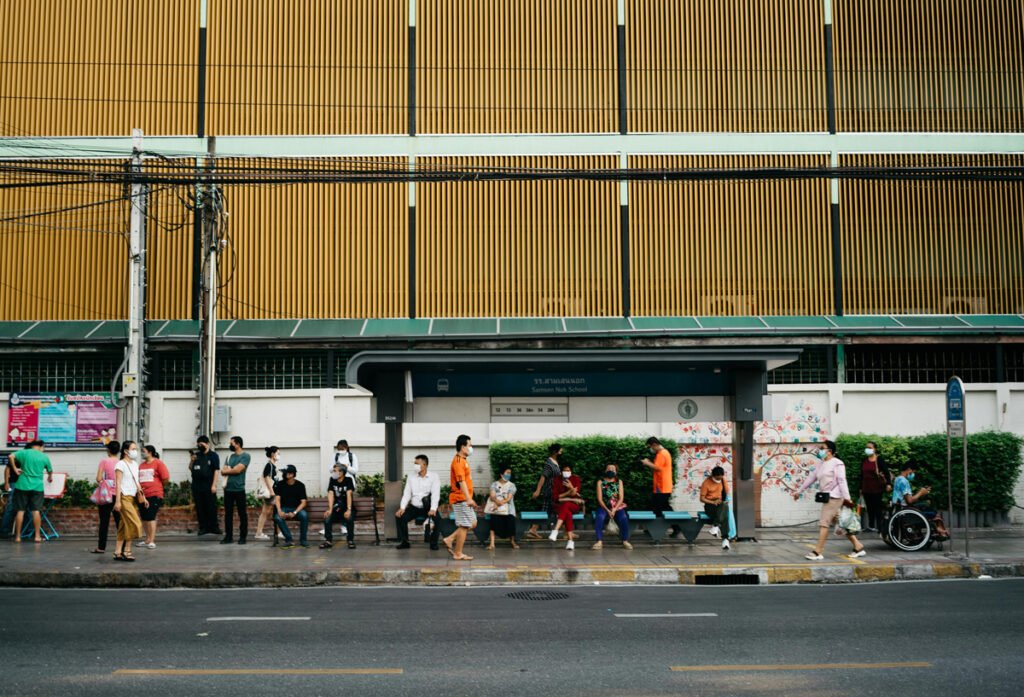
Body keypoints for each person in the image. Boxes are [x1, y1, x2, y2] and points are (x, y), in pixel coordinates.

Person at [792, 439, 866, 559]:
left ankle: (817, 552)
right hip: (827, 497)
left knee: (824, 523)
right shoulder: (821, 464)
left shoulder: (837, 463)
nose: (819, 450)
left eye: (822, 448)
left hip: (834, 497)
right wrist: (799, 491)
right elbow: (811, 478)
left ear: (829, 451)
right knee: (842, 523)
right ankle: (858, 546)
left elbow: (842, 481)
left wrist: (847, 498)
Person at [891, 462, 950, 539]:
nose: (913, 474)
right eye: (914, 472)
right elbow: (909, 501)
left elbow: (906, 498)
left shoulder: (898, 479)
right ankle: (940, 531)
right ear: (909, 470)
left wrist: (922, 493)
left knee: (927, 505)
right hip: (906, 512)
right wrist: (920, 493)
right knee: (933, 513)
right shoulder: (903, 481)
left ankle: (939, 530)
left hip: (901, 508)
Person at [395, 454, 441, 550]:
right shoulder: (411, 476)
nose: (415, 466)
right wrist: (402, 507)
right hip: (414, 507)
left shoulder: (434, 476)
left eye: (417, 464)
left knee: (438, 519)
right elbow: (407, 493)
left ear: (424, 465)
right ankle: (405, 542)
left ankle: (433, 543)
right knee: (400, 516)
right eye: (414, 463)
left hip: (427, 507)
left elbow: (435, 494)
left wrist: (433, 509)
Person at [10, 440, 53, 543]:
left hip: (22, 486)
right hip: (37, 487)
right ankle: (37, 536)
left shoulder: (24, 453)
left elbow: (10, 456)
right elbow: (50, 470)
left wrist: (15, 468)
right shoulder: (44, 457)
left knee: (20, 511)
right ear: (41, 446)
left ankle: (18, 537)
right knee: (36, 511)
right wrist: (50, 477)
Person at [442, 434, 477, 561]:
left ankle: (450, 538)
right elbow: (461, 482)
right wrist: (468, 499)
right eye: (470, 445)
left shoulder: (463, 460)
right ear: (463, 447)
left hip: (464, 498)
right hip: (460, 498)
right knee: (465, 525)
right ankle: (458, 553)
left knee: (473, 523)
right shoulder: (457, 462)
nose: (471, 448)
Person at [112, 441, 148, 561]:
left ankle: (117, 552)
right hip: (123, 497)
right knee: (135, 523)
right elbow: (118, 483)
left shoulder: (135, 464)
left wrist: (143, 497)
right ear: (126, 451)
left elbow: (137, 482)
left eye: (136, 449)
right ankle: (127, 551)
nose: (135, 451)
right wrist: (117, 501)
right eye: (133, 449)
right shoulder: (120, 464)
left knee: (124, 525)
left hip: (133, 498)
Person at [641, 436, 681, 538]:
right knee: (660, 507)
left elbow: (658, 468)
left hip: (662, 486)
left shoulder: (662, 454)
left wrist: (647, 463)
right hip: (663, 486)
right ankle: (659, 528)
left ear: (654, 445)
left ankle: (672, 528)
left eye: (650, 447)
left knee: (660, 508)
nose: (651, 449)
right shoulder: (664, 453)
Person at [90, 441, 121, 553]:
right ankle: (123, 548)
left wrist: (106, 482)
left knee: (104, 522)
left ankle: (101, 547)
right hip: (119, 495)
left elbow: (99, 478)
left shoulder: (104, 461)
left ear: (108, 450)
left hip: (106, 496)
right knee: (120, 522)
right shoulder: (121, 462)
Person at [527, 443, 562, 539]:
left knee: (548, 510)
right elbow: (543, 477)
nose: (561, 452)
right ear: (555, 451)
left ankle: (533, 529)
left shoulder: (555, 462)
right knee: (552, 510)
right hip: (549, 491)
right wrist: (538, 490)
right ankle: (567, 532)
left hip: (554, 491)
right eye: (560, 450)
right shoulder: (549, 463)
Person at [137, 445, 170, 549]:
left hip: (154, 494)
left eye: (144, 451)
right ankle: (147, 539)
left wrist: (156, 487)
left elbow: (165, 478)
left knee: (150, 516)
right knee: (144, 517)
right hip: (142, 496)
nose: (142, 453)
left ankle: (152, 541)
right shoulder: (141, 465)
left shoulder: (158, 463)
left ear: (150, 452)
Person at [220, 435, 250, 545]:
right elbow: (223, 471)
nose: (230, 445)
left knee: (242, 514)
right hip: (228, 490)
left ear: (238, 444)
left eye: (231, 443)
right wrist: (231, 469)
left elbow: (238, 470)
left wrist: (229, 469)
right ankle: (228, 537)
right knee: (228, 515)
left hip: (239, 490)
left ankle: (243, 537)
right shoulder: (229, 456)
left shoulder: (245, 456)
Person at [593, 465, 632, 550]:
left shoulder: (619, 482)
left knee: (623, 518)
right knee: (599, 517)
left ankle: (625, 540)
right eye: (608, 469)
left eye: (613, 469)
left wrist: (614, 509)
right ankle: (599, 541)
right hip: (603, 506)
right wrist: (608, 510)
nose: (610, 470)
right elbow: (599, 499)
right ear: (605, 470)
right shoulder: (600, 482)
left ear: (616, 472)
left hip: (617, 506)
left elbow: (621, 498)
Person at [190, 435, 222, 536]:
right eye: (198, 445)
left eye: (202, 444)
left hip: (209, 485)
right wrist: (192, 460)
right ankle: (203, 527)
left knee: (211, 507)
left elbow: (216, 471)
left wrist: (214, 485)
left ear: (207, 444)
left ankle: (214, 527)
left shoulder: (213, 456)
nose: (200, 446)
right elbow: (190, 468)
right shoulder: (196, 455)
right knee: (200, 507)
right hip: (197, 486)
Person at [548, 463, 584, 550]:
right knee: (568, 513)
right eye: (565, 470)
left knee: (566, 505)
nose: (566, 472)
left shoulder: (575, 479)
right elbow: (556, 497)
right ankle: (570, 541)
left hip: (574, 505)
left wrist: (571, 487)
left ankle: (555, 530)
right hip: (560, 505)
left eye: (568, 470)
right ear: (561, 471)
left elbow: (575, 493)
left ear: (571, 471)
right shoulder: (557, 480)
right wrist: (568, 494)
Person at [321, 462, 356, 550]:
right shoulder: (332, 480)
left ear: (341, 472)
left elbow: (349, 494)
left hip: (346, 508)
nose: (333, 472)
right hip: (336, 508)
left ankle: (350, 540)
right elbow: (330, 494)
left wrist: (348, 509)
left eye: (335, 471)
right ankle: (328, 541)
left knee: (349, 518)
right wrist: (330, 509)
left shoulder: (348, 480)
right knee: (327, 518)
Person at [273, 464, 308, 548]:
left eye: (286, 473)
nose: (284, 474)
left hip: (296, 509)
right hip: (284, 508)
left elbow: (303, 502)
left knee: (304, 515)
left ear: (292, 474)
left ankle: (303, 540)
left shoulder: (300, 485)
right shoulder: (280, 484)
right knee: (277, 517)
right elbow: (277, 499)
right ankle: (289, 540)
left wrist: (294, 512)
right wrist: (279, 511)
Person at [860, 441, 891, 532]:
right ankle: (871, 526)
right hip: (866, 488)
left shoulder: (879, 460)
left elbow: (886, 472)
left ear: (875, 449)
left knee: (877, 507)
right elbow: (861, 475)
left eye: (870, 447)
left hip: (877, 488)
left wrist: (888, 484)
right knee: (869, 508)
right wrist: (860, 488)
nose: (867, 449)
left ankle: (879, 527)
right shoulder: (864, 460)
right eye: (867, 447)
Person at [699, 466, 732, 550]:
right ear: (713, 476)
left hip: (720, 503)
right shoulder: (706, 483)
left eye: (720, 478)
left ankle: (715, 526)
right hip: (710, 505)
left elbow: (727, 491)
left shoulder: (723, 480)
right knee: (724, 516)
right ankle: (725, 539)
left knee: (724, 507)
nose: (719, 480)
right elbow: (702, 499)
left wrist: (726, 499)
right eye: (717, 478)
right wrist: (713, 502)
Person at [486, 467, 519, 550]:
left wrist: (499, 504)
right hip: (495, 509)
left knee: (511, 524)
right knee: (493, 524)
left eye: (510, 473)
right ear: (501, 474)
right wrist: (497, 502)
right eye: (507, 472)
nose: (509, 474)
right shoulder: (494, 484)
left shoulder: (512, 485)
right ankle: (492, 543)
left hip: (509, 509)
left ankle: (512, 542)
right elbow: (492, 496)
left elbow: (509, 498)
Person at [254, 446, 281, 540]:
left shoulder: (272, 465)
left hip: (272, 492)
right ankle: (259, 533)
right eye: (278, 453)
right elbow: (267, 478)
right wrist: (272, 491)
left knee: (273, 511)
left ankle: (278, 532)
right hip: (270, 493)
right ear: (273, 454)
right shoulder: (269, 465)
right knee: (267, 512)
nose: (279, 455)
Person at [1, 454, 18, 539]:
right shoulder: (17, 457)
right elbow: (7, 469)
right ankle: (4, 531)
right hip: (14, 483)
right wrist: (6, 482)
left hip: (25, 483)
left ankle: (27, 530)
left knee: (27, 508)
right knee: (10, 506)